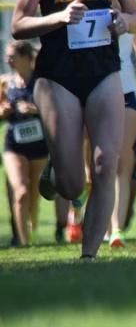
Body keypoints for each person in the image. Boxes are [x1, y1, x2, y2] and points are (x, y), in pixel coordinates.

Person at [1, 0, 136, 259]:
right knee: (70, 181)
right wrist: (61, 17)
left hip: (103, 71)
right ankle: (56, 171)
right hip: (57, 77)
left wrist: (122, 22)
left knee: (105, 162)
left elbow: (135, 13)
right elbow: (19, 24)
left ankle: (89, 257)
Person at [1, 41, 68, 245]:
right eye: (7, 56)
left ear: (26, 58)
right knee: (20, 192)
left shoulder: (42, 83)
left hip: (40, 147)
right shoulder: (5, 83)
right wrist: (4, 111)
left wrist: (36, 109)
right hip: (14, 146)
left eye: (13, 56)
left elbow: (57, 111)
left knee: (33, 196)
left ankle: (39, 228)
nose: (8, 60)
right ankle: (21, 242)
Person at [108, 26, 136, 247]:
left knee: (120, 163)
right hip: (92, 89)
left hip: (126, 91)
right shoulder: (82, 6)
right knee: (93, 168)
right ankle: (80, 213)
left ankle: (116, 230)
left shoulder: (132, 13)